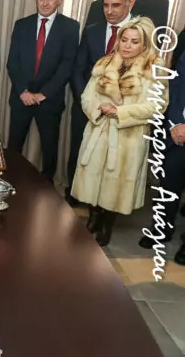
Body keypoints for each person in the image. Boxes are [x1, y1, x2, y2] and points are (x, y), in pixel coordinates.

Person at [71, 16, 168, 246]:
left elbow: (157, 106)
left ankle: (107, 224)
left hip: (128, 137)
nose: (127, 45)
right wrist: (98, 109)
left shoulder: (154, 68)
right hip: (99, 130)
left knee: (115, 184)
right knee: (93, 177)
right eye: (124, 39)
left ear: (144, 44)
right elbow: (87, 96)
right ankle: (94, 217)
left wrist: (121, 112)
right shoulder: (105, 63)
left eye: (134, 41)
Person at [66, 0, 134, 206]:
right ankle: (74, 198)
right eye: (106, 5)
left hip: (118, 112)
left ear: (130, 3)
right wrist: (86, 102)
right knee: (78, 152)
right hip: (85, 107)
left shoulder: (138, 35)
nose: (109, 11)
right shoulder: (92, 31)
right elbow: (78, 70)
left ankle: (100, 209)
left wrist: (116, 107)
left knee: (109, 161)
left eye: (116, 5)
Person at [6, 0, 80, 183]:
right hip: (21, 98)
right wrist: (23, 91)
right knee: (14, 147)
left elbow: (67, 66)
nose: (45, 3)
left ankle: (47, 188)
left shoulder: (71, 27)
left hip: (50, 100)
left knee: (49, 149)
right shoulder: (22, 25)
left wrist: (44, 93)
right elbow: (13, 62)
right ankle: (10, 184)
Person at [138, 50, 185, 265]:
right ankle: (162, 228)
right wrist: (175, 123)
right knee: (169, 183)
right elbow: (175, 86)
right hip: (177, 133)